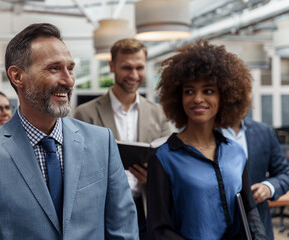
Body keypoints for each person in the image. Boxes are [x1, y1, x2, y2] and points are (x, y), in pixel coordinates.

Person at [0, 23, 138, 239]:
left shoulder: (102, 142)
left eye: (70, 68)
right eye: (54, 68)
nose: (68, 80)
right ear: (17, 76)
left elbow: (124, 231)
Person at [146, 40, 267, 239]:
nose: (198, 99)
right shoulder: (163, 158)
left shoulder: (236, 152)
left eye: (208, 91)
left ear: (224, 97)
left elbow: (249, 209)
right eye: (189, 91)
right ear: (178, 97)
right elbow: (159, 230)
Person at [73, 38, 171, 240]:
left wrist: (155, 175)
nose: (134, 75)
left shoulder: (159, 113)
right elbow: (75, 168)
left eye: (139, 67)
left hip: (146, 209)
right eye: (127, 68)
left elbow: (173, 164)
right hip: (103, 210)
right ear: (112, 66)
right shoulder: (85, 114)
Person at [221, 117, 289, 239]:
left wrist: (268, 187)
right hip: (220, 228)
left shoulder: (263, 131)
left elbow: (285, 172)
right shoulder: (205, 131)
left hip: (259, 224)